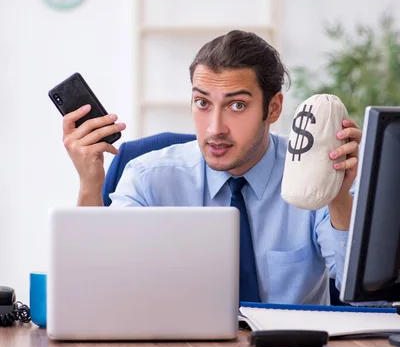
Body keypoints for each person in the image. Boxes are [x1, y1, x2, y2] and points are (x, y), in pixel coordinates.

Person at [62, 30, 362, 305]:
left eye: (237, 106)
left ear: (273, 108)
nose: (215, 128)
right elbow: (98, 289)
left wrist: (338, 197)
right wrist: (90, 185)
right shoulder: (147, 178)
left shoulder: (309, 173)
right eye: (203, 103)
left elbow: (364, 296)